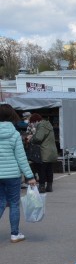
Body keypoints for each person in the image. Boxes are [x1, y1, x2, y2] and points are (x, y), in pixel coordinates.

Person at [0, 104, 37, 243]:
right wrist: (30, 177)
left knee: (1, 202)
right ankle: (15, 234)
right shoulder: (14, 134)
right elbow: (21, 158)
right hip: (12, 175)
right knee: (14, 204)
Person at [28, 113, 57, 192]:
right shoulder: (48, 125)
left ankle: (42, 187)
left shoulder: (41, 126)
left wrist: (31, 138)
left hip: (44, 151)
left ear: (36, 121)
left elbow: (38, 138)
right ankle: (49, 186)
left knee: (42, 170)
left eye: (33, 122)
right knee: (49, 169)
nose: (33, 124)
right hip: (52, 151)